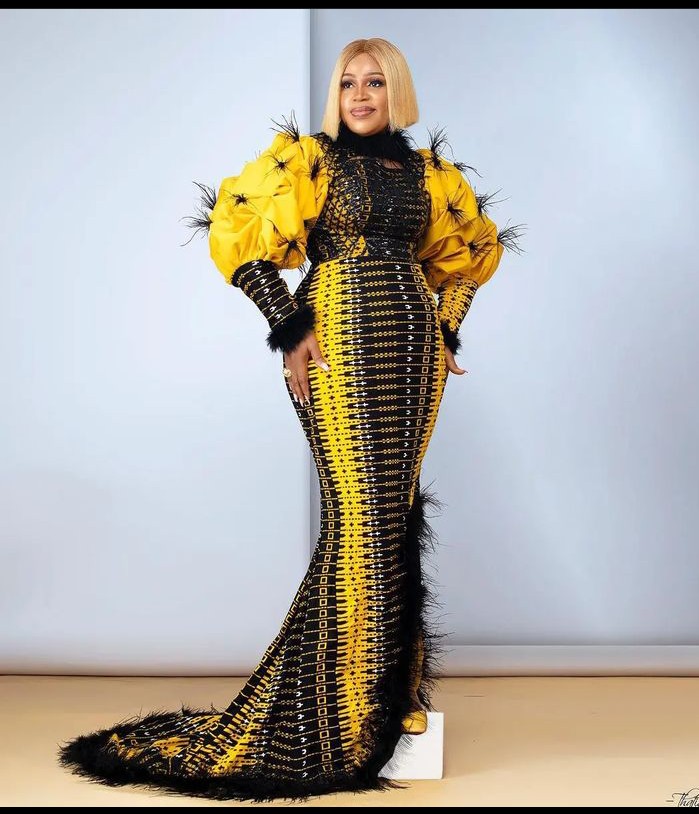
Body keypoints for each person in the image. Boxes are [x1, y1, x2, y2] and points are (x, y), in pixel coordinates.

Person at [58, 37, 523, 803]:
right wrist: (290, 327)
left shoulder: (430, 175)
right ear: (334, 95)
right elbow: (234, 237)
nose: (359, 95)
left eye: (374, 82)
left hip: (410, 345)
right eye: (347, 83)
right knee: (360, 514)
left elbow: (470, 254)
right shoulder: (306, 161)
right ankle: (342, 703)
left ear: (397, 91)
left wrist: (445, 329)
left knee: (395, 508)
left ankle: (394, 695)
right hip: (336, 335)